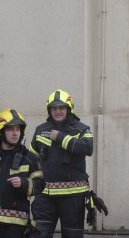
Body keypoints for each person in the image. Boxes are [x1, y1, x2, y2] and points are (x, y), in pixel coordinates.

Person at [29, 89, 94, 238]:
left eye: (61, 108)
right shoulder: (41, 130)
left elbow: (88, 148)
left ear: (69, 108)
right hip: (45, 197)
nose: (58, 111)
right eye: (54, 108)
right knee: (38, 235)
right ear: (49, 110)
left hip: (73, 198)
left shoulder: (81, 129)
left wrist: (61, 138)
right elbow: (31, 159)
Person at [0, 108, 44, 237]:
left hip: (16, 227)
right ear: (2, 131)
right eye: (10, 129)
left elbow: (40, 184)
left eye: (18, 129)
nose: (15, 133)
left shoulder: (29, 158)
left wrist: (24, 183)